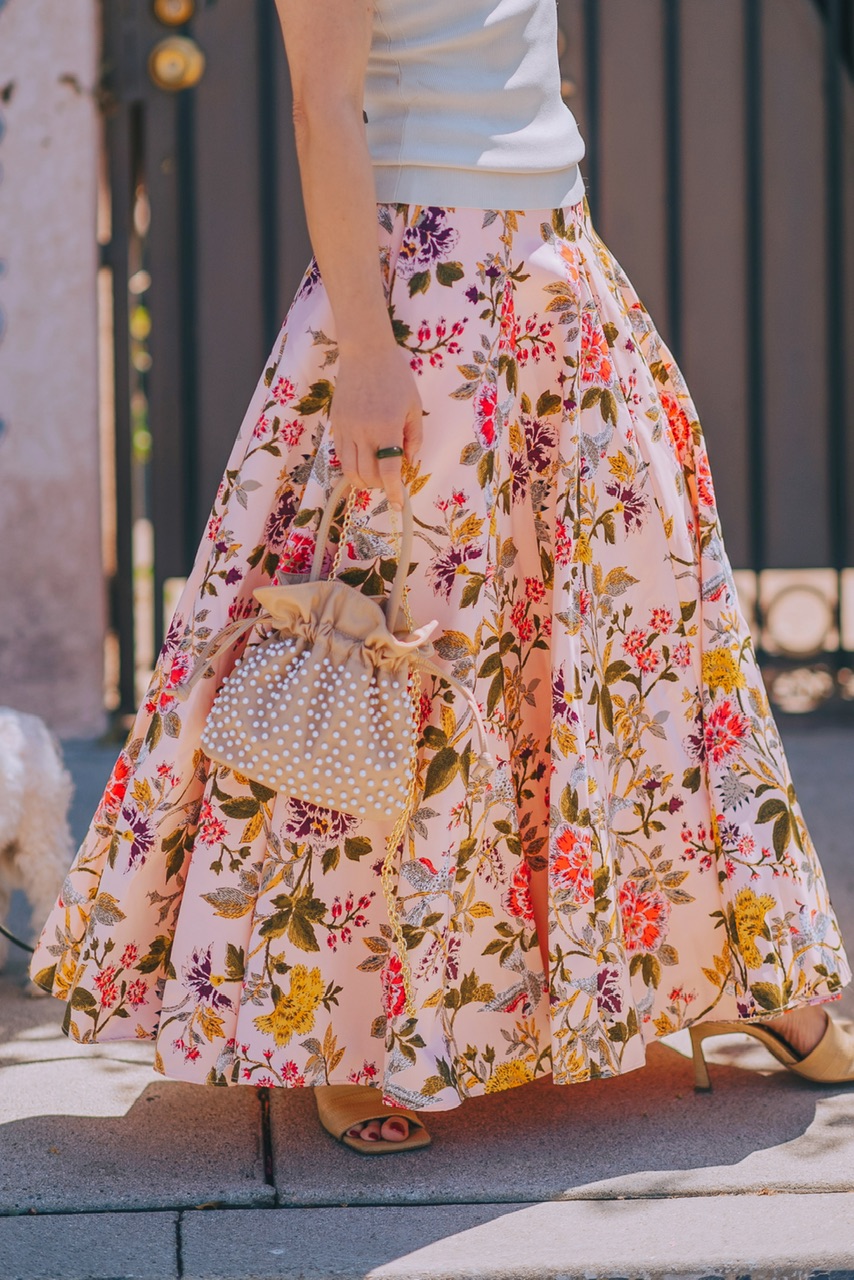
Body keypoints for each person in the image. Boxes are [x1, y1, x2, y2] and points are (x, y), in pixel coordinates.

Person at [30, 0, 853, 1153]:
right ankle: (349, 1031)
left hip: (554, 270)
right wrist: (367, 350)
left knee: (640, 644)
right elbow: (323, 109)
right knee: (404, 656)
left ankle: (750, 971)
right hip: (420, 295)